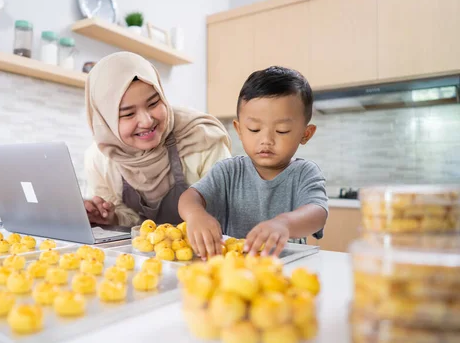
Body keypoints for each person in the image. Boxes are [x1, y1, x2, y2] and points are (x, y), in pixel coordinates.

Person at [178, 66, 328, 259]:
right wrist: (195, 215)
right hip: (233, 271)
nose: (266, 140)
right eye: (255, 129)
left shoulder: (305, 173)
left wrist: (284, 224)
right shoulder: (228, 171)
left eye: (282, 130)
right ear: (239, 130)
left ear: (305, 134)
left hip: (283, 272)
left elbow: (317, 213)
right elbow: (190, 198)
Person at [83, 52, 232, 227]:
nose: (147, 121)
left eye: (153, 103)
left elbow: (226, 213)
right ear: (105, 120)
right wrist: (111, 218)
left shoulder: (202, 138)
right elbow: (128, 219)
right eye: (129, 114)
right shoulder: (101, 157)